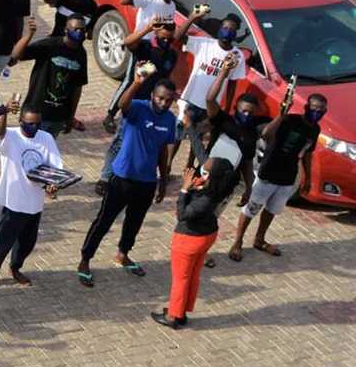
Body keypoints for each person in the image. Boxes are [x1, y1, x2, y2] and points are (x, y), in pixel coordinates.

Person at [76, 73, 175, 287]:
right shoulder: (138, 108)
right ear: (152, 95)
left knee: (134, 221)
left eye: (168, 100)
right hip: (121, 178)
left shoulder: (170, 120)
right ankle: (85, 260)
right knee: (104, 220)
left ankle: (123, 253)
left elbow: (163, 151)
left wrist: (163, 180)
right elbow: (123, 104)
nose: (163, 103)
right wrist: (137, 82)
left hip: (147, 182)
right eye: (160, 98)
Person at [95, 12, 196, 195]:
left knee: (144, 144)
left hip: (154, 109)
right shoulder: (146, 48)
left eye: (169, 38)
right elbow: (127, 42)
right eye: (162, 37)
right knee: (119, 142)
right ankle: (105, 177)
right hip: (135, 104)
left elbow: (164, 79)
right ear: (157, 34)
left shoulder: (171, 55)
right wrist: (148, 28)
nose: (165, 41)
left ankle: (132, 175)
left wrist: (172, 95)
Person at [229, 93, 326, 262]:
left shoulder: (315, 129)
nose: (316, 112)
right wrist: (281, 114)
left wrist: (308, 177)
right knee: (252, 208)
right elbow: (266, 134)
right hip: (268, 172)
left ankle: (259, 239)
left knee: (272, 210)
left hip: (288, 177)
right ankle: (237, 242)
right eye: (313, 108)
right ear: (306, 107)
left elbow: (307, 154)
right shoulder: (289, 120)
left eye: (320, 110)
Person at [0, 99, 62, 295]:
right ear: (20, 121)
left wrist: (53, 186)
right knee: (3, 241)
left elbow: (55, 167)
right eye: (29, 123)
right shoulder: (9, 136)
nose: (33, 127)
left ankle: (15, 267)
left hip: (35, 203)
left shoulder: (46, 138)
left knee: (27, 242)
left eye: (37, 123)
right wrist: (4, 112)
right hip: (14, 201)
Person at [151, 158, 237, 330]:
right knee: (192, 275)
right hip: (206, 236)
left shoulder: (206, 199)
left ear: (213, 176)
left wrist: (184, 190)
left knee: (181, 279)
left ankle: (173, 315)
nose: (201, 174)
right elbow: (202, 156)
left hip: (189, 239)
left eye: (205, 172)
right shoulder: (218, 187)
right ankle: (182, 311)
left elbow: (182, 214)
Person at [102, 0, 180, 133]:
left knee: (149, 82)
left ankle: (136, 112)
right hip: (142, 42)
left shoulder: (172, 7)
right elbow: (124, 1)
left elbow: (170, 29)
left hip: (158, 46)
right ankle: (110, 114)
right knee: (131, 79)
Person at [169, 14, 247, 171]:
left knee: (197, 138)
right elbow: (177, 37)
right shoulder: (204, 44)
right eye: (225, 27)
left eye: (232, 29)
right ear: (219, 28)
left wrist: (226, 108)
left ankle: (189, 166)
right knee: (177, 135)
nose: (227, 32)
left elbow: (232, 83)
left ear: (236, 33)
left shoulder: (237, 56)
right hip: (189, 100)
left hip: (211, 106)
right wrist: (193, 17)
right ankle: (168, 165)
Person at [11, 15, 88, 136]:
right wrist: (28, 35)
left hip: (58, 117)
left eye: (82, 30)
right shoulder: (50, 45)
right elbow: (16, 55)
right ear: (66, 30)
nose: (79, 32)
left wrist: (70, 116)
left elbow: (77, 87)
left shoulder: (81, 53)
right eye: (76, 29)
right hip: (35, 114)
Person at [198, 57, 262, 202]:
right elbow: (210, 99)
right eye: (243, 111)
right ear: (235, 109)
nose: (246, 115)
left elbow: (247, 163)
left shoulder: (252, 134)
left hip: (226, 184)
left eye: (251, 113)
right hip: (205, 175)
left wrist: (249, 188)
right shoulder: (223, 120)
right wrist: (224, 72)